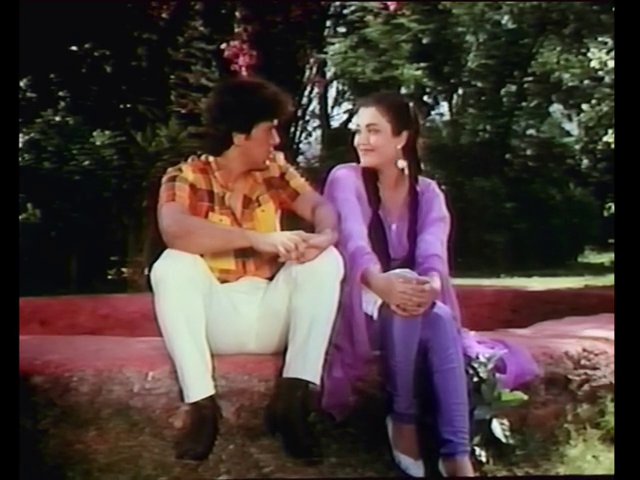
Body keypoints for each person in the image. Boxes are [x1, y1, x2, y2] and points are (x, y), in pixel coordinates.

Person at [321, 92, 540, 477]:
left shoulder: (428, 193)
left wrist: (432, 286)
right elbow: (353, 241)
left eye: (374, 131)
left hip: (412, 301)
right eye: (358, 131)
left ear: (401, 138)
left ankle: (456, 452)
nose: (361, 140)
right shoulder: (345, 179)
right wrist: (380, 283)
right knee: (414, 311)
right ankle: (405, 419)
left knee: (436, 316)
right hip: (362, 299)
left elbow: (432, 252)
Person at [149, 77, 344, 464]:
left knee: (327, 258)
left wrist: (325, 235)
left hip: (272, 313)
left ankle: (293, 401)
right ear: (240, 135)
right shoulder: (186, 176)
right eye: (269, 129)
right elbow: (174, 229)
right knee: (172, 264)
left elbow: (319, 206)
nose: (276, 140)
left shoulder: (275, 172)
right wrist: (256, 239)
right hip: (217, 316)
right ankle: (203, 408)